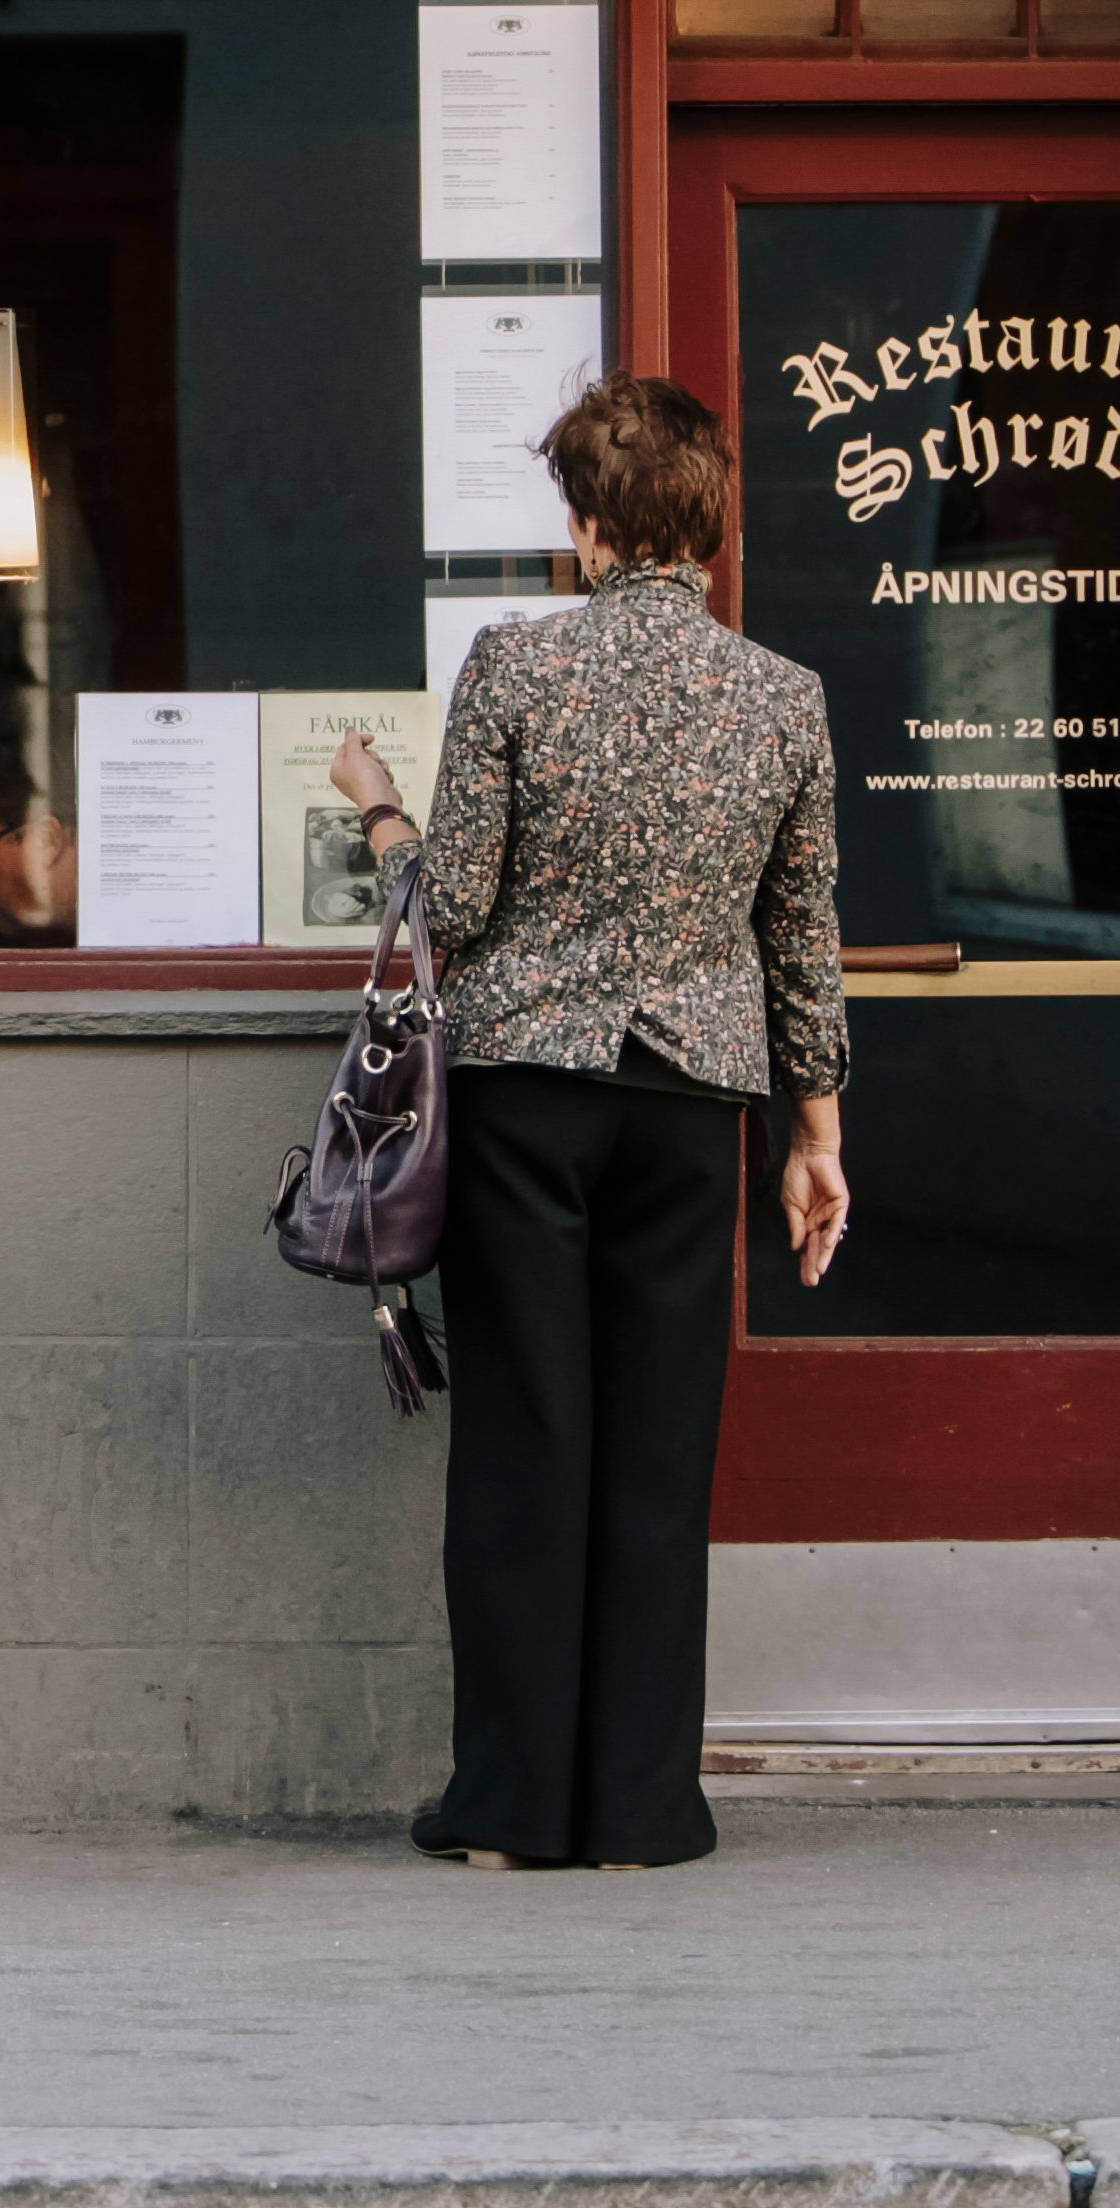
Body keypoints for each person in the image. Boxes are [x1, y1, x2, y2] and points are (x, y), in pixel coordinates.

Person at [325, 372, 851, 1873]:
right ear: (710, 528)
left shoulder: (515, 667)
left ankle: (504, 1811)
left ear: (589, 525)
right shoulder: (783, 697)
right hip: (695, 1104)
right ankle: (639, 1808)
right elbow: (802, 941)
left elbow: (462, 904)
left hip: (526, 1100)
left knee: (524, 1441)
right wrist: (816, 1135)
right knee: (658, 1448)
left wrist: (377, 806)